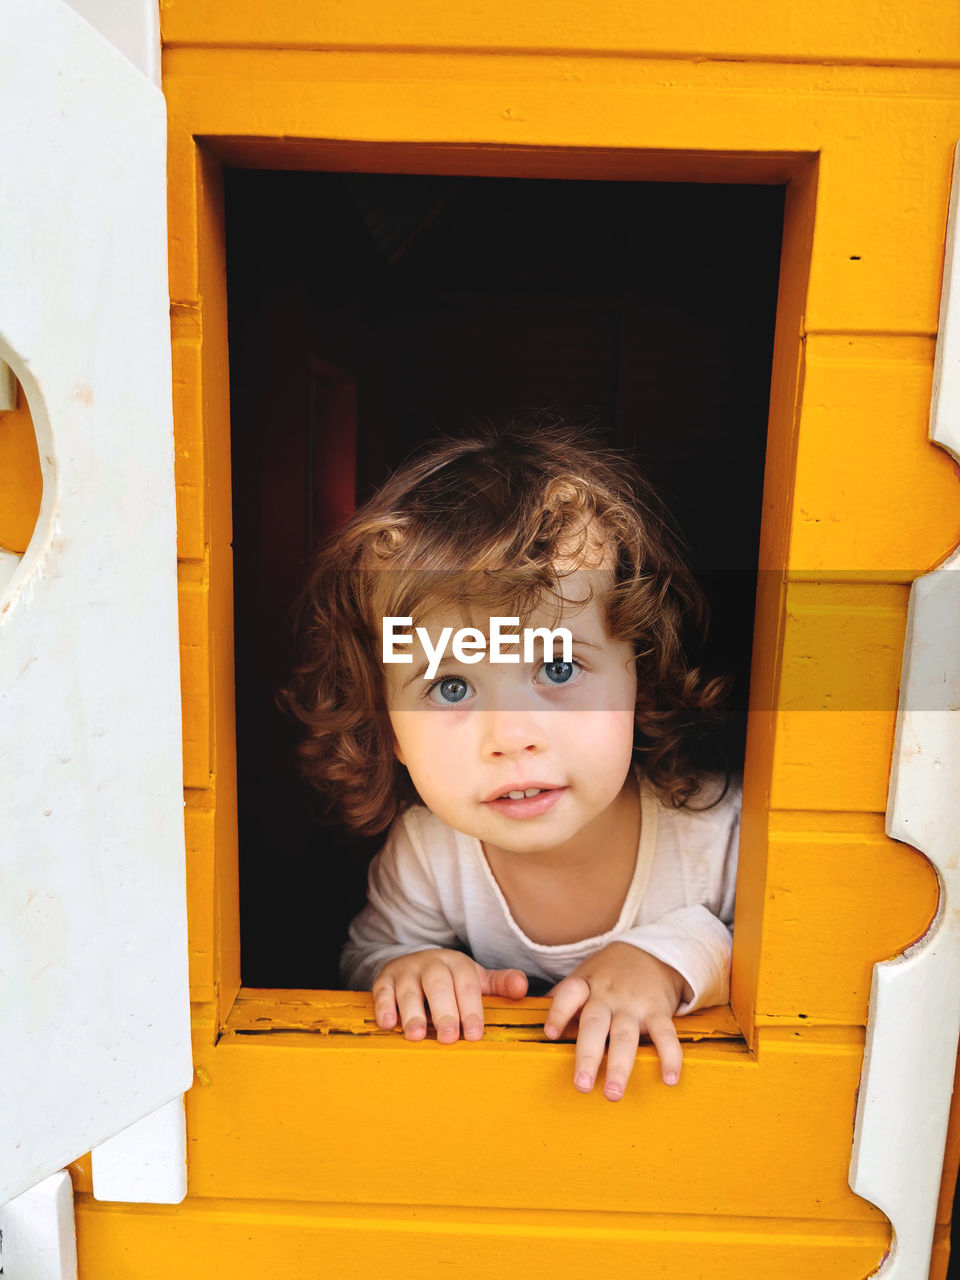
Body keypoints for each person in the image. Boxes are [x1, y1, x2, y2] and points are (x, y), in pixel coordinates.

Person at [283, 420, 740, 1102]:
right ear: (390, 730)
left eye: (557, 668)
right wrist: (411, 968)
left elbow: (804, 956)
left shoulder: (715, 831)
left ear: (638, 678)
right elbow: (366, 959)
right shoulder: (429, 853)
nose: (510, 737)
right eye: (451, 686)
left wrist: (671, 960)